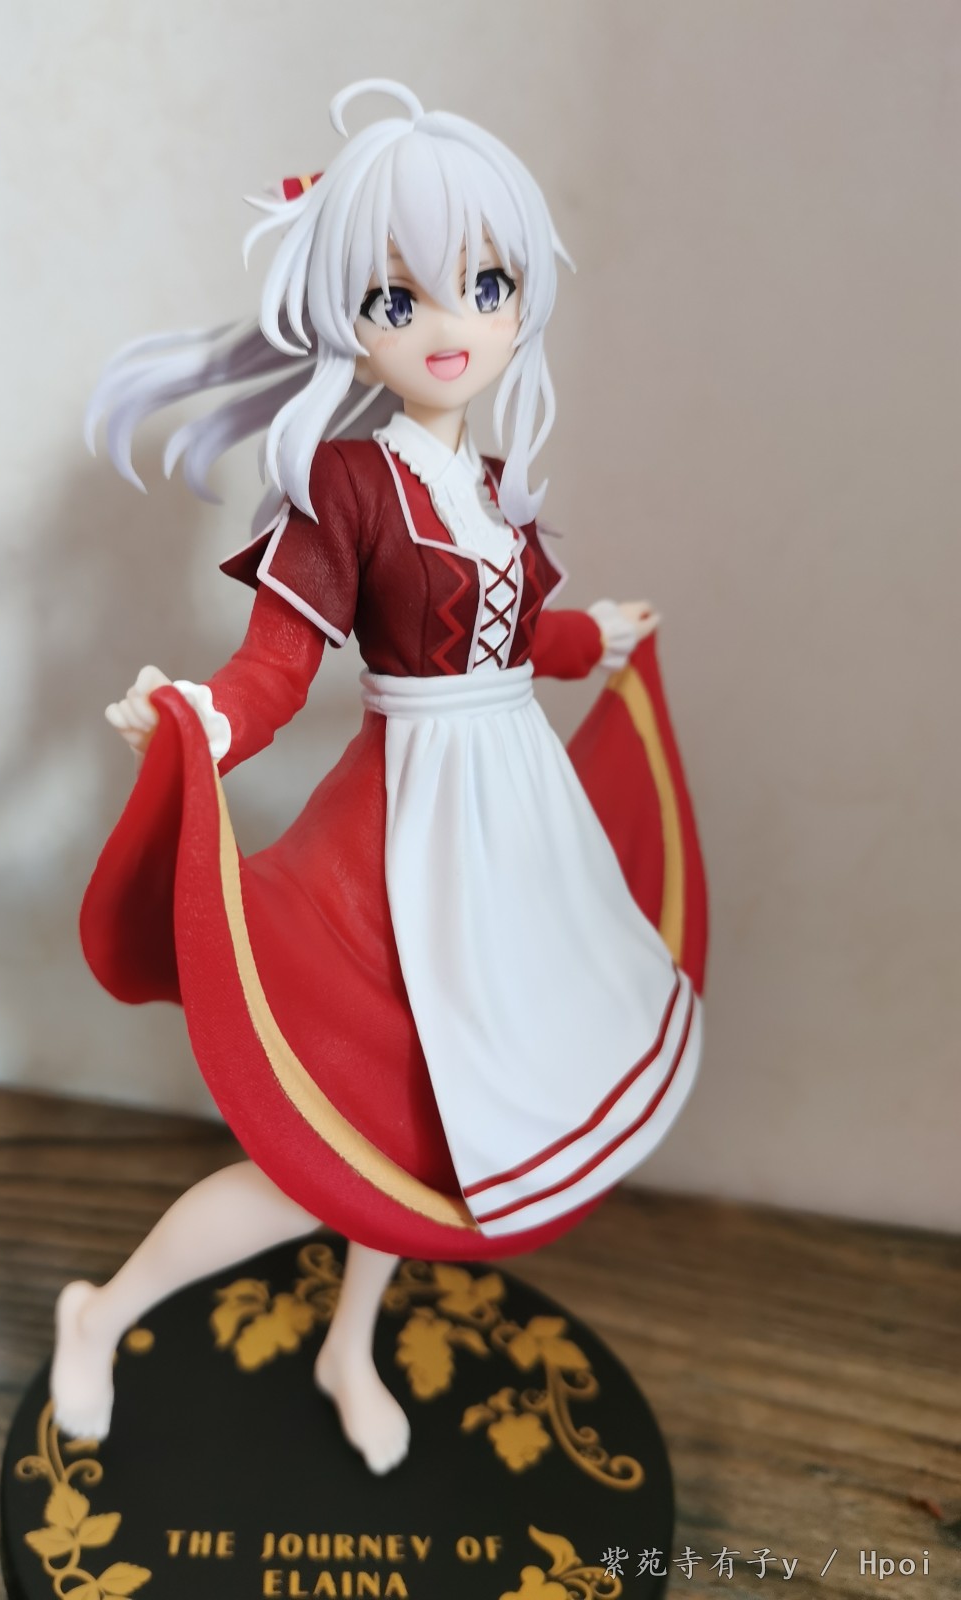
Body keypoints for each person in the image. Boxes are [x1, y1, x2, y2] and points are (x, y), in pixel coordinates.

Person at [52, 79, 707, 1475]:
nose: (451, 324)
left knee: (428, 1135)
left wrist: (598, 639)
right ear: (349, 318)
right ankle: (99, 1315)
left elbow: (518, 640)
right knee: (320, 1152)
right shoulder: (348, 484)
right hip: (399, 845)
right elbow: (277, 668)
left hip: (512, 832)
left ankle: (350, 1343)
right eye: (399, 298)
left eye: (486, 284)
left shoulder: (500, 487)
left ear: (522, 300)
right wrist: (199, 724)